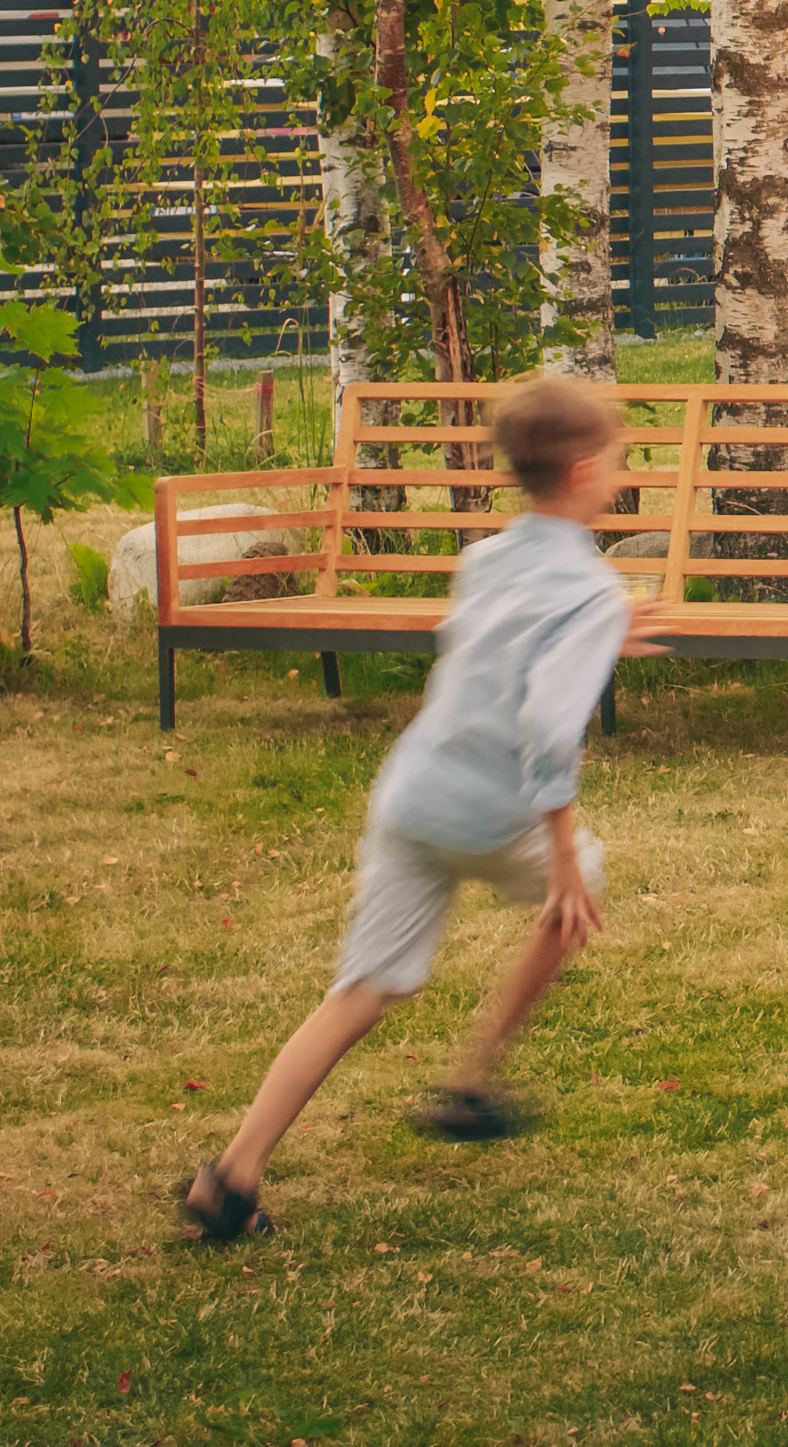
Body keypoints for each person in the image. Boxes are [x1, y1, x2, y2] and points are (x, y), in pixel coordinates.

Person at [181, 375, 640, 1241]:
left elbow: (496, 647)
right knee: (581, 889)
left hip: (413, 793)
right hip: (491, 812)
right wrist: (566, 862)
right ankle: (474, 1080)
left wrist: (607, 630)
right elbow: (547, 724)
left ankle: (232, 1175)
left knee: (358, 992)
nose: (621, 472)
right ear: (583, 473)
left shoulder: (487, 558)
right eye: (616, 459)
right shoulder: (591, 592)